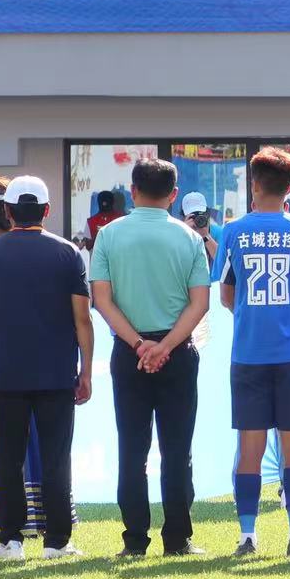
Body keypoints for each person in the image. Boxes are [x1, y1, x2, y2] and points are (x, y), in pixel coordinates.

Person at [88, 157, 211, 558]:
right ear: (174, 195)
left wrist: (139, 344)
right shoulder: (189, 238)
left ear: (132, 190)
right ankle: (177, 538)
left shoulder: (109, 235)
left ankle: (135, 540)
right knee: (177, 450)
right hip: (177, 352)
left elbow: (101, 299)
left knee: (132, 448)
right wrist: (166, 345)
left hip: (129, 352)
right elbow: (200, 304)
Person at [0, 175, 92, 560]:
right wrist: (86, 369)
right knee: (57, 458)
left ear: (7, 211)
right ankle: (57, 541)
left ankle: (11, 541)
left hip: (6, 373)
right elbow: (82, 319)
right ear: (47, 211)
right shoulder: (68, 253)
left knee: (9, 458)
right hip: (57, 374)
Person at [215, 149, 290, 556]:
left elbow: (226, 293)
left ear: (254, 185)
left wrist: (247, 310)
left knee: (250, 447)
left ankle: (247, 536)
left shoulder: (233, 231)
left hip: (248, 354)